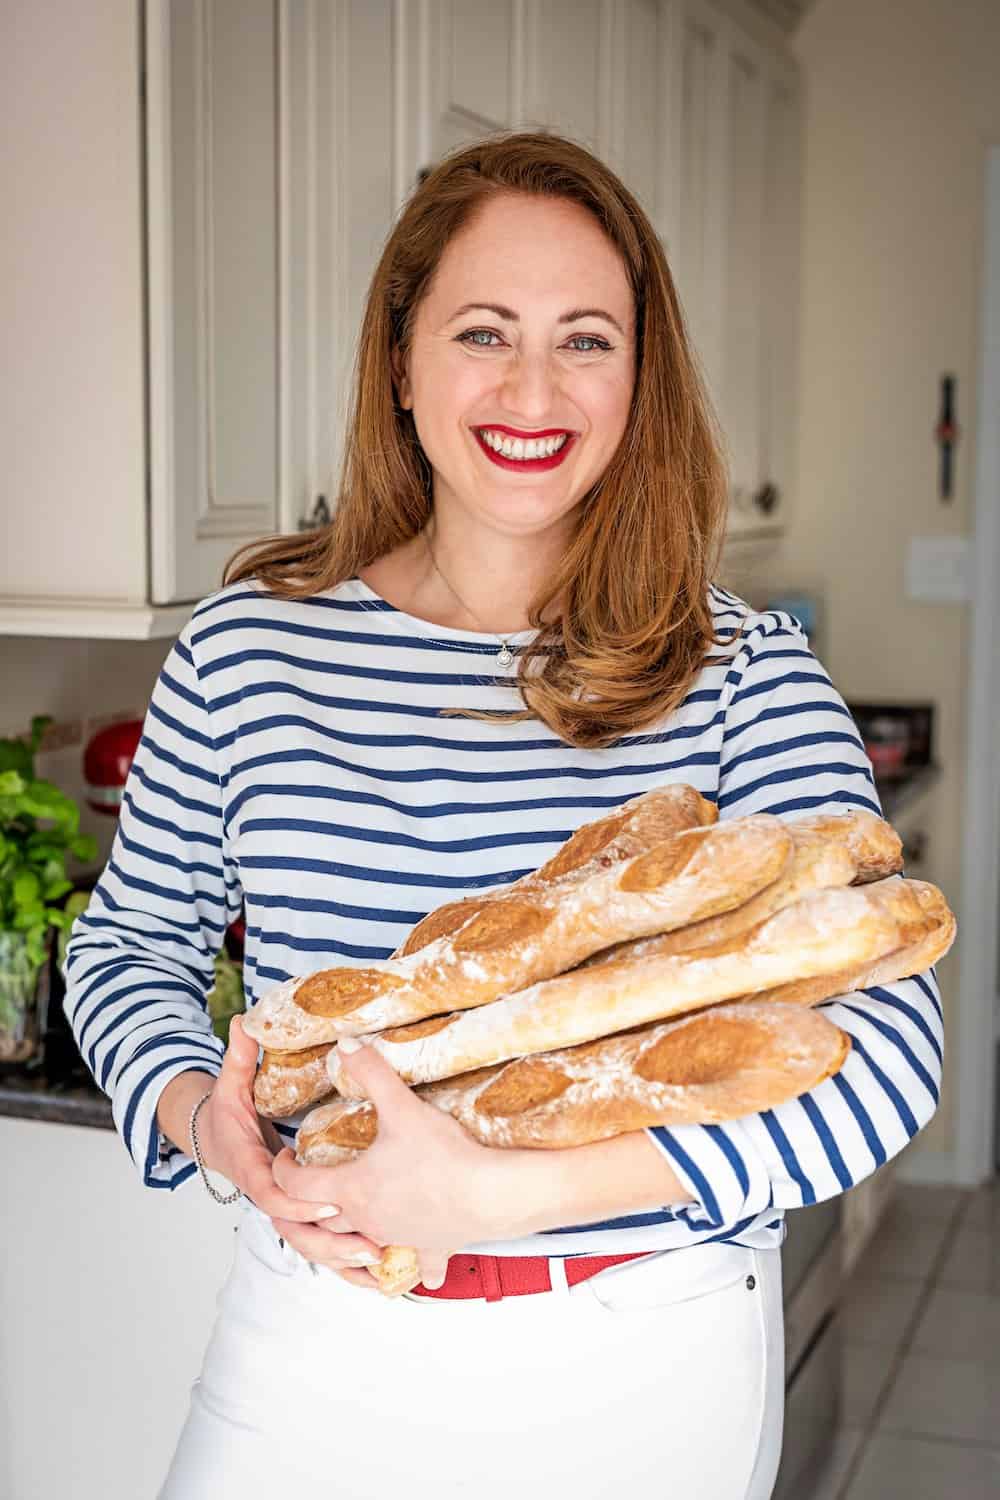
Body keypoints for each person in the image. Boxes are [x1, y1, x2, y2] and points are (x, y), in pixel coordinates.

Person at [62, 131, 944, 1499]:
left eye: (587, 339)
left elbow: (887, 1057)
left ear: (639, 382)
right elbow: (129, 949)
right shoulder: (248, 652)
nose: (534, 387)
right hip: (314, 1333)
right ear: (401, 364)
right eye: (484, 331)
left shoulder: (745, 675)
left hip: (636, 1351)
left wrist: (500, 1198)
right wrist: (200, 1116)